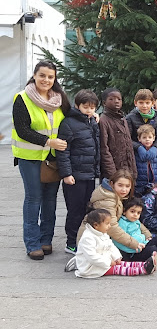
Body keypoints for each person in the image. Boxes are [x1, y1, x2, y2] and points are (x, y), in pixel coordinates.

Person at [12, 60, 70, 259]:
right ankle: (32, 243)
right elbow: (22, 129)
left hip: (52, 159)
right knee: (34, 197)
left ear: (55, 79)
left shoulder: (59, 98)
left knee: (50, 199)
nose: (46, 80)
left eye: (50, 77)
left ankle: (46, 240)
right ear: (35, 75)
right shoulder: (22, 98)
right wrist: (48, 142)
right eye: (42, 75)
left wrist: (92, 115)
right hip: (30, 158)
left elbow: (72, 116)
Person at [57, 89, 100, 254]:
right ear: (77, 105)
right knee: (75, 210)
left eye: (92, 107)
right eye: (85, 107)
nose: (89, 110)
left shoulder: (92, 121)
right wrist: (66, 174)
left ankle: (83, 240)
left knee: (87, 209)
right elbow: (63, 151)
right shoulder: (68, 123)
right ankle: (71, 242)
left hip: (89, 174)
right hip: (75, 176)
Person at [66, 209, 156, 278]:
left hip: (103, 262)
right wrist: (108, 262)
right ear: (96, 225)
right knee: (119, 269)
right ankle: (143, 269)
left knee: (122, 263)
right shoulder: (87, 238)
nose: (109, 226)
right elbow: (92, 257)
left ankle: (145, 264)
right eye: (107, 223)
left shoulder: (102, 233)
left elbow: (111, 246)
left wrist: (117, 257)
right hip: (92, 267)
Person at [76, 170, 147, 256]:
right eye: (120, 185)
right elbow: (112, 228)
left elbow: (133, 220)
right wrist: (134, 243)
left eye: (127, 186)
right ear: (112, 184)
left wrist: (146, 234)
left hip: (103, 238)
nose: (124, 189)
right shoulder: (107, 200)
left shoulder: (118, 196)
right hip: (92, 244)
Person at [113, 197, 157, 264]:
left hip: (143, 244)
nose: (135, 215)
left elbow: (144, 230)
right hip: (134, 252)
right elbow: (119, 242)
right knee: (153, 249)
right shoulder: (122, 223)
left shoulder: (135, 221)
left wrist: (147, 237)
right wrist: (134, 248)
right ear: (124, 211)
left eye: (138, 213)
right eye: (132, 211)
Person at [98, 88, 136, 181]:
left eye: (119, 99)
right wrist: (112, 174)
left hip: (127, 170)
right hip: (113, 171)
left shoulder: (123, 119)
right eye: (112, 99)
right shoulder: (103, 120)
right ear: (104, 103)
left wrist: (133, 171)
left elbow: (129, 146)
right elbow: (104, 149)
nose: (116, 101)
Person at [134, 124, 157, 196]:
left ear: (154, 138)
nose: (147, 139)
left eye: (150, 137)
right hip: (139, 185)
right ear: (139, 139)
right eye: (144, 137)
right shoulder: (136, 153)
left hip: (155, 185)